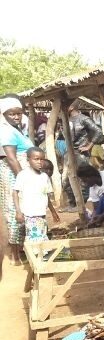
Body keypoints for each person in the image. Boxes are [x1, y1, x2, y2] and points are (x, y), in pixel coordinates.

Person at [1, 96, 35, 264]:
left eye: (18, 113)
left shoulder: (17, 129)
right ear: (3, 114)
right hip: (15, 174)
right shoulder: (6, 131)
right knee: (16, 211)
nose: (16, 117)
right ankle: (15, 255)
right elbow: (12, 158)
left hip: (21, 172)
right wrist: (25, 180)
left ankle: (22, 250)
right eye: (11, 114)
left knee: (25, 209)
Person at [12, 147, 60, 245]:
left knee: (41, 236)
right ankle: (38, 257)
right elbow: (15, 193)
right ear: (28, 159)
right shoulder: (23, 175)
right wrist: (18, 211)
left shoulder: (44, 177)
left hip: (41, 213)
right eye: (36, 159)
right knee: (35, 238)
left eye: (41, 159)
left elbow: (46, 195)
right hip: (30, 214)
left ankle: (39, 257)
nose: (39, 162)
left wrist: (53, 212)